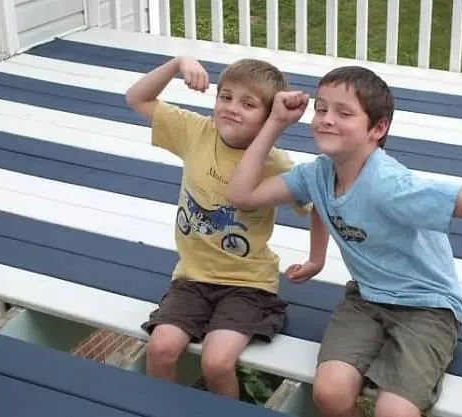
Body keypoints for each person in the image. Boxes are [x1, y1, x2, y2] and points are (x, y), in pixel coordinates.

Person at [226, 65, 462, 417]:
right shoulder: (319, 173)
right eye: (321, 108)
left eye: (344, 112)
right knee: (330, 393)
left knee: (393, 412)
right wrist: (275, 123)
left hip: (427, 307)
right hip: (366, 298)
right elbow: (243, 195)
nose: (326, 118)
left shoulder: (389, 186)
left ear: (378, 129)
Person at [125, 56, 330, 399]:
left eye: (248, 104)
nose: (232, 108)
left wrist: (317, 259)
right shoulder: (196, 131)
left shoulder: (273, 162)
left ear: (269, 118)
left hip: (247, 286)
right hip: (192, 279)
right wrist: (177, 64)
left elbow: (318, 204)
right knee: (160, 347)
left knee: (217, 362)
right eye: (226, 97)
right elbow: (137, 98)